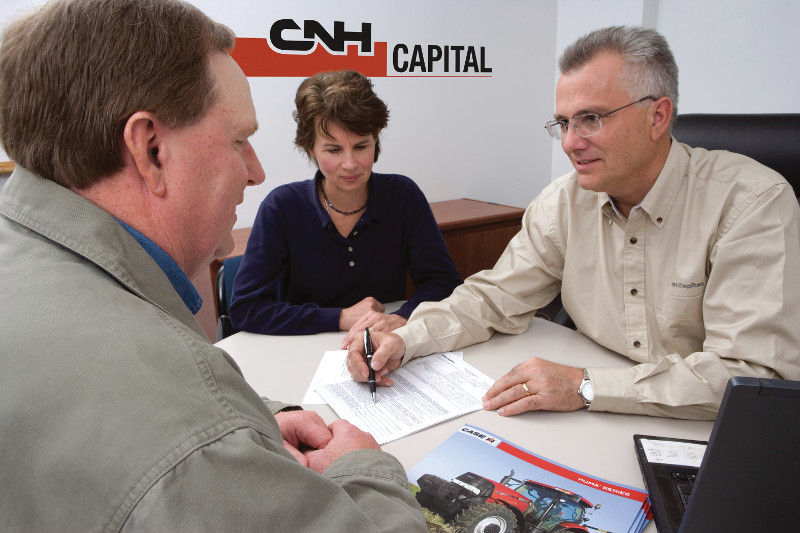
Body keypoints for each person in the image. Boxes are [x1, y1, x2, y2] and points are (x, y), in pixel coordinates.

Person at [0, 1, 426, 531]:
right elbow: (191, 434)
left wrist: (257, 416)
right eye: (238, 140)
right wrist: (363, 463)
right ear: (151, 149)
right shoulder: (187, 438)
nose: (256, 171)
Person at [346, 25, 800, 420]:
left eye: (591, 119)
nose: (569, 143)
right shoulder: (564, 201)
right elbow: (494, 296)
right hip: (600, 418)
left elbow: (751, 377)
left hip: (708, 431)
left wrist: (585, 386)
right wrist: (409, 337)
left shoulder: (751, 202)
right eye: (563, 122)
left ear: (657, 116)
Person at [229, 70, 462, 336]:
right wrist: (341, 318)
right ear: (310, 149)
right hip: (303, 349)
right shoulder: (281, 207)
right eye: (333, 150)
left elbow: (444, 282)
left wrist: (403, 318)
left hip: (384, 343)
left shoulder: (403, 195)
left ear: (376, 140)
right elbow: (247, 309)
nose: (350, 164)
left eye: (361, 147)